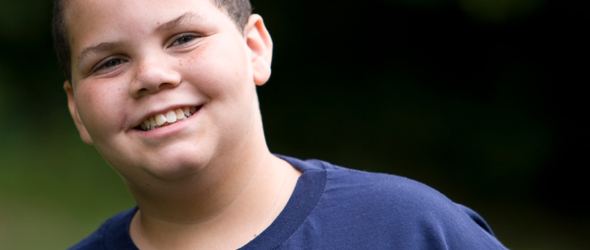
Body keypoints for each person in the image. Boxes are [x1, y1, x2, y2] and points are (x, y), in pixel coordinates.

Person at [52, 0, 509, 249]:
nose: (152, 76)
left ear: (254, 48)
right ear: (77, 111)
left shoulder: (411, 230)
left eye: (184, 38)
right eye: (110, 62)